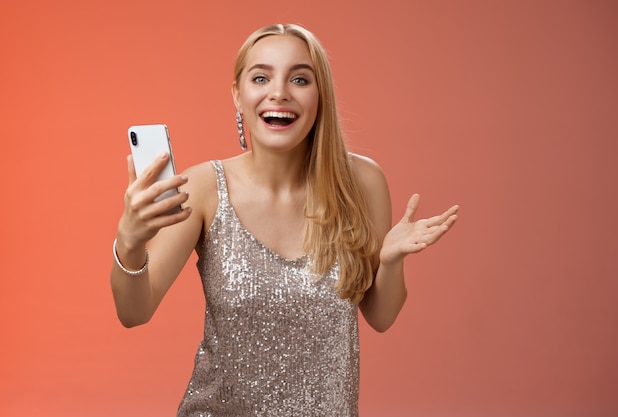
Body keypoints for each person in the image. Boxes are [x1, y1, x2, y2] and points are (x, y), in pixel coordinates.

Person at [110, 23, 459, 417]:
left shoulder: (362, 182)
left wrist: (392, 260)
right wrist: (130, 240)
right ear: (238, 96)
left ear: (320, 95)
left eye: (299, 79)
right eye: (261, 77)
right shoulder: (204, 187)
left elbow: (380, 315)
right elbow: (133, 313)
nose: (279, 92)